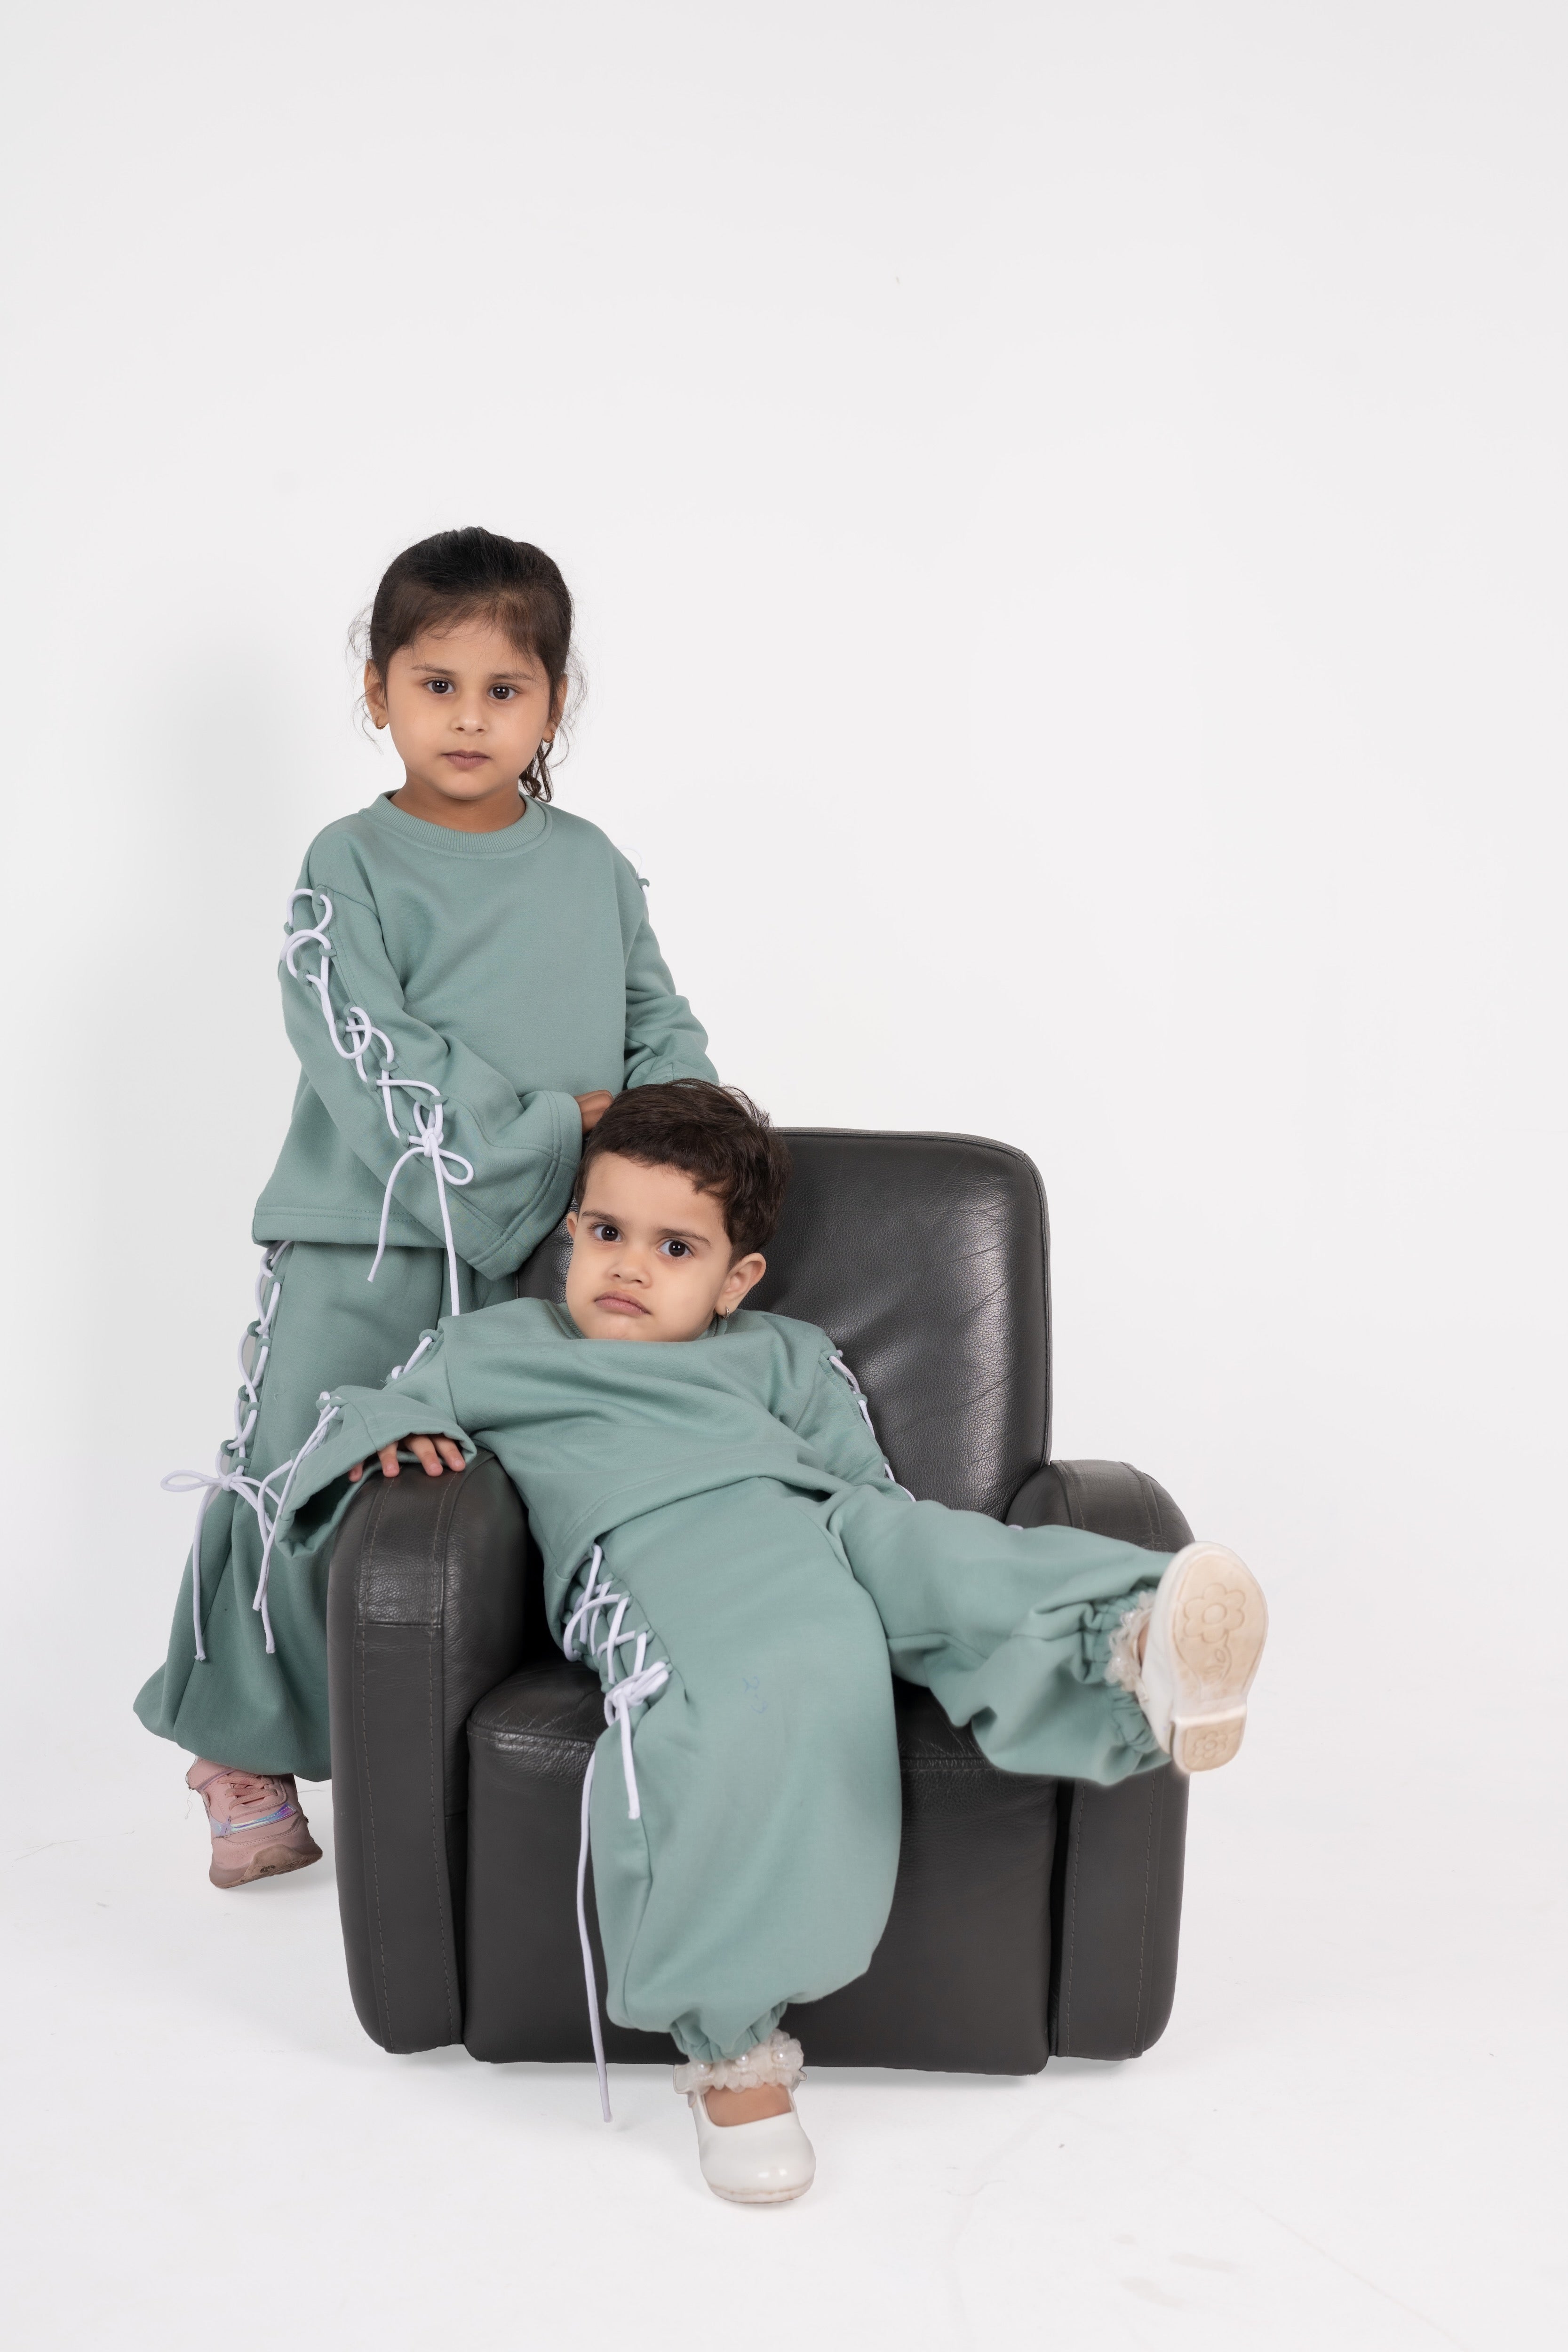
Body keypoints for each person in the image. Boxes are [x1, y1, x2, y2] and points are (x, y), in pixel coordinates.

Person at [250, 1081, 1270, 2205]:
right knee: (765, 1672)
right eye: (604, 1232)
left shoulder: (783, 1354)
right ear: (570, 1232)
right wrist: (394, 1446)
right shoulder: (497, 1347)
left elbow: (863, 1486)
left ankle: (1130, 1647)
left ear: (735, 1278)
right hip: (646, 1545)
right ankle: (732, 2050)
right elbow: (367, 1407)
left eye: (673, 1246)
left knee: (934, 1552)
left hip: (812, 1517)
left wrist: (889, 1574)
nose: (627, 1267)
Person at [136, 529, 715, 1883]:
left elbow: (657, 1028)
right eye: (434, 683)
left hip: (545, 1256)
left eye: (503, 689)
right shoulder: (348, 864)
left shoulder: (590, 867)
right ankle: (241, 1747)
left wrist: (673, 1139)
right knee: (300, 1471)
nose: (468, 717)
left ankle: (470, 1761)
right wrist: (539, 1126)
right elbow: (365, 1053)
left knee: (492, 1499)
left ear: (553, 702)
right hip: (366, 1240)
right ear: (377, 689)